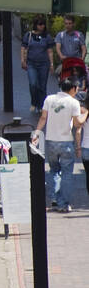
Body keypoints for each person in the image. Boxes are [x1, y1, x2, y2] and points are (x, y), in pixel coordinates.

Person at [35, 78, 85, 212]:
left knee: (54, 171)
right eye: (77, 88)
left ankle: (55, 199)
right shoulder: (73, 102)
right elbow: (76, 124)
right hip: (66, 141)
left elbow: (43, 118)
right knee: (67, 173)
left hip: (50, 141)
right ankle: (64, 203)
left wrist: (36, 133)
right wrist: (85, 114)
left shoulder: (49, 99)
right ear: (73, 88)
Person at [23, 15, 57, 115]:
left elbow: (50, 51)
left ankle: (41, 105)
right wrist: (22, 60)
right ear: (35, 25)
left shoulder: (47, 36)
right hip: (31, 63)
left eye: (43, 24)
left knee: (42, 86)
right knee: (33, 84)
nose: (42, 26)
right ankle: (34, 101)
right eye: (40, 24)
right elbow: (23, 47)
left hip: (44, 64)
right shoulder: (28, 35)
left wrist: (51, 64)